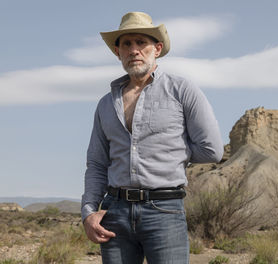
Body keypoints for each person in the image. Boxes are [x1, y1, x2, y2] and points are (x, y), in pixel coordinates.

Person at [81, 12, 224, 264]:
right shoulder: (105, 104)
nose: (134, 50)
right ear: (118, 52)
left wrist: (171, 152)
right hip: (114, 212)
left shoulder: (181, 90)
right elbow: (96, 164)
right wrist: (89, 213)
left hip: (164, 210)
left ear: (157, 49)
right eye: (126, 44)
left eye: (141, 43)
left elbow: (212, 150)